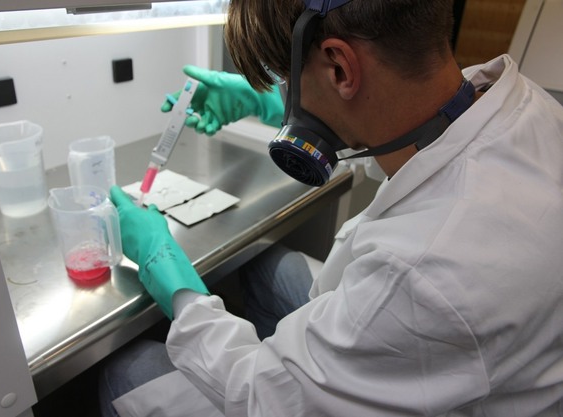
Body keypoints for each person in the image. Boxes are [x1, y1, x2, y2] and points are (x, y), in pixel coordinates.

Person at [99, 0, 563, 416]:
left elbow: (260, 396)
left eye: (284, 79)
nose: (283, 91)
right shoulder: (516, 103)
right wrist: (271, 103)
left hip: (424, 360)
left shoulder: (423, 271)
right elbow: (415, 143)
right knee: (265, 268)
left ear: (340, 69)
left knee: (127, 371)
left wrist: (174, 281)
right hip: (462, 342)